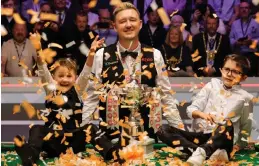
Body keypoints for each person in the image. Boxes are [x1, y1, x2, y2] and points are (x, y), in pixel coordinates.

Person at [82, 1, 184, 160]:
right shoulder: (101, 56)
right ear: (114, 26)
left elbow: (167, 97)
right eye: (122, 21)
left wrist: (179, 132)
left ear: (140, 24)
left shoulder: (155, 54)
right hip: (113, 144)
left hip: (148, 142)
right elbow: (91, 98)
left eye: (132, 20)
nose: (128, 25)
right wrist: (80, 133)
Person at [14, 36, 105, 166]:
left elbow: (86, 71)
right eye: (60, 76)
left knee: (91, 127)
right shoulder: (51, 90)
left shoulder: (78, 90)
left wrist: (91, 52)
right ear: (53, 78)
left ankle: (113, 152)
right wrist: (39, 50)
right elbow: (42, 69)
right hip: (53, 142)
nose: (65, 79)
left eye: (69, 76)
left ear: (75, 78)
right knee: (36, 128)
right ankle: (30, 155)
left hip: (73, 143)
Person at [157, 54, 254, 166]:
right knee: (163, 130)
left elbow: (246, 128)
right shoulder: (211, 86)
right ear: (221, 70)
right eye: (227, 69)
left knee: (225, 123)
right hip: (203, 137)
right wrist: (203, 115)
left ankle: (202, 153)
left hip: (223, 140)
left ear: (243, 77)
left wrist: (237, 147)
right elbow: (191, 110)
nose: (229, 74)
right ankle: (200, 151)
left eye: (235, 72)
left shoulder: (246, 98)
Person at [229, 1, 259, 76]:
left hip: (251, 53)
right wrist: (236, 42)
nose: (244, 10)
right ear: (239, 10)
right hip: (239, 53)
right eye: (242, 8)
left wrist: (252, 42)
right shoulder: (235, 24)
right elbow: (230, 39)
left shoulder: (256, 23)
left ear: (250, 10)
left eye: (246, 8)